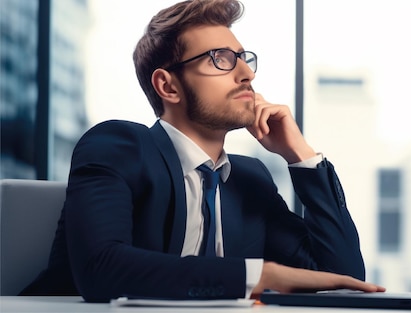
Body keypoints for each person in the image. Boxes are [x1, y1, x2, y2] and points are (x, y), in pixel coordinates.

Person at [21, 0, 384, 303]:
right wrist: (257, 276)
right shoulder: (119, 146)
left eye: (244, 58)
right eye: (220, 59)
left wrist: (300, 156)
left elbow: (343, 278)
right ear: (168, 86)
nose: (246, 74)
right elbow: (102, 269)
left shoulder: (250, 178)